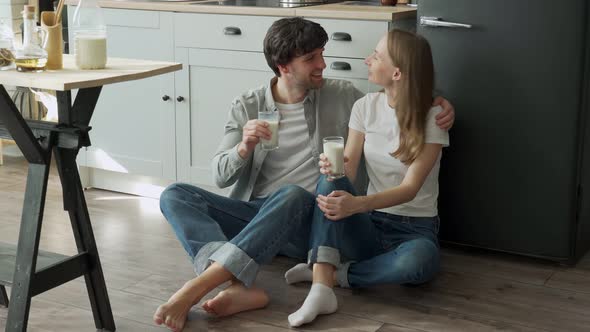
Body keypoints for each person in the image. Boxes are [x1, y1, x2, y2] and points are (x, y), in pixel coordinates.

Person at [153, 18, 455, 332]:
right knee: (174, 194)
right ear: (283, 66)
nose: (323, 64)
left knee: (296, 193)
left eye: (321, 54)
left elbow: (402, 95)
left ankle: (203, 286)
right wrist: (243, 147)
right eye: (311, 58)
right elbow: (219, 176)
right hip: (260, 217)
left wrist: (438, 102)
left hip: (309, 221)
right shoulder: (249, 104)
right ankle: (231, 283)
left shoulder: (342, 95)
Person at [285, 29, 448, 327]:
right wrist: (332, 169)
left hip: (414, 230)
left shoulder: (432, 119)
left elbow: (410, 189)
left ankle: (334, 275)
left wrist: (356, 204)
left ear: (397, 72)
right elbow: (347, 169)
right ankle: (321, 287)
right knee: (329, 180)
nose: (367, 59)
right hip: (369, 225)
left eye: (376, 55)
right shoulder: (365, 107)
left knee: (419, 262)